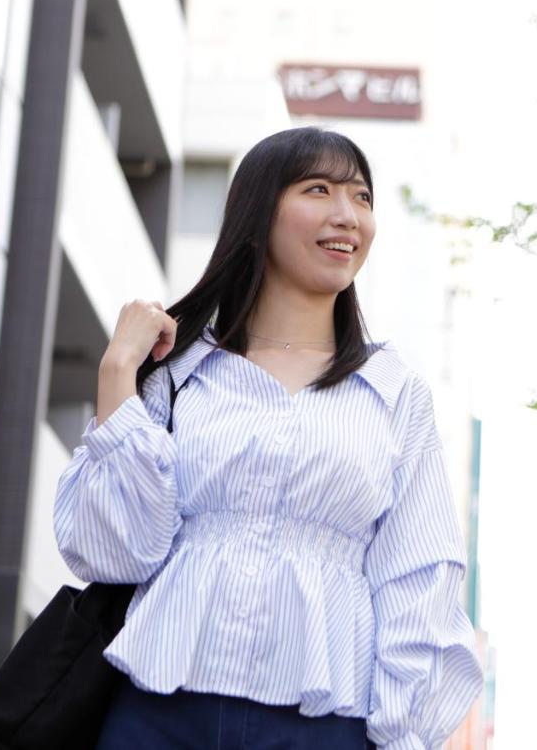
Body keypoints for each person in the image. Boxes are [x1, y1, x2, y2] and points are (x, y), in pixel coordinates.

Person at [53, 127, 483, 749]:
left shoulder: (392, 392)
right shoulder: (178, 374)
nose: (348, 216)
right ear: (259, 213)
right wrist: (119, 371)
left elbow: (418, 578)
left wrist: (401, 734)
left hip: (324, 726)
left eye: (362, 198)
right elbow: (113, 553)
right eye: (319, 190)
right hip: (158, 713)